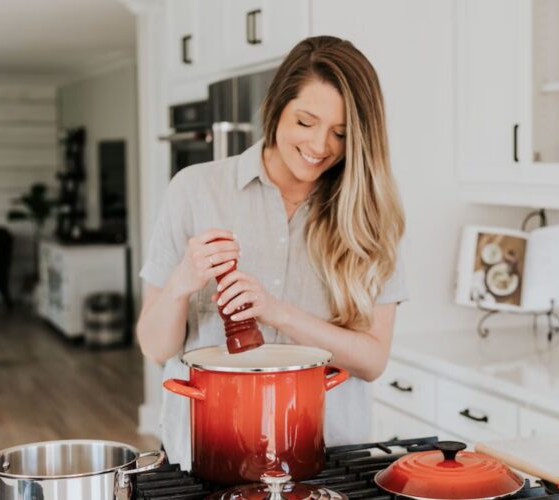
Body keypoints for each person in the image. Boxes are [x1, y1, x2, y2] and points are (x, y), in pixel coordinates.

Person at [136, 35, 407, 467]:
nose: (320, 146)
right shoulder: (195, 189)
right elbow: (153, 346)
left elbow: (372, 360)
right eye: (305, 122)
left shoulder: (369, 215)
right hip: (208, 454)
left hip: (326, 459)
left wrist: (275, 311)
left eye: (341, 133)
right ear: (276, 108)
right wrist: (181, 283)